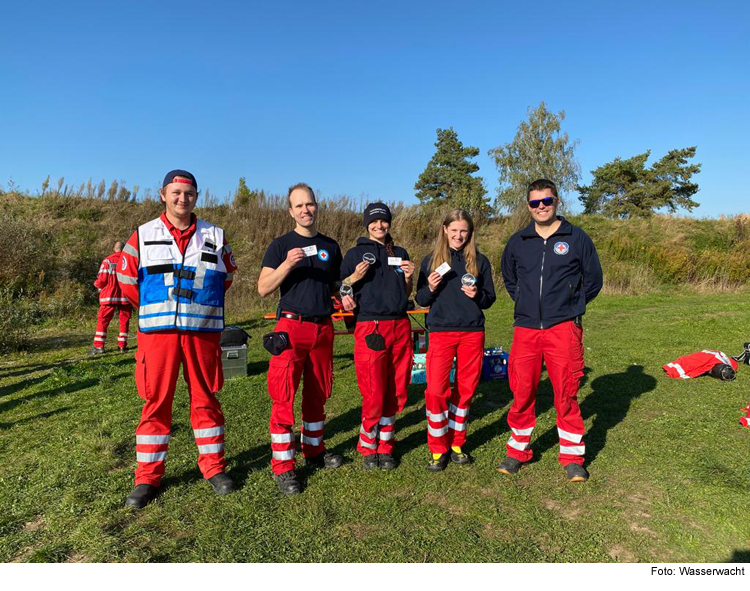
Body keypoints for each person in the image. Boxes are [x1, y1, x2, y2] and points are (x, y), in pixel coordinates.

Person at [117, 169, 238, 509]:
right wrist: (160, 308)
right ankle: (147, 477)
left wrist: (196, 307)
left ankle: (214, 469)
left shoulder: (215, 234)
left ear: (196, 197)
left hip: (202, 332)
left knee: (206, 399)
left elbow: (226, 275)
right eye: (176, 192)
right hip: (158, 335)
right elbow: (127, 280)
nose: (182, 199)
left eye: (189, 193)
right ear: (163, 194)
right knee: (156, 402)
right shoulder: (142, 234)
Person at [497, 178, 602, 482]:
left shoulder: (576, 237)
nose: (541, 207)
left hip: (563, 327)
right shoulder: (518, 241)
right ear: (528, 205)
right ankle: (517, 452)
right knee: (522, 390)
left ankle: (572, 457)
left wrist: (570, 303)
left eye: (547, 201)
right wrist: (528, 302)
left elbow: (593, 279)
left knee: (566, 392)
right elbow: (510, 278)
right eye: (534, 202)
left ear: (557, 201)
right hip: (527, 328)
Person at [258, 182, 344, 495]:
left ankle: (314, 451)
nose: (305, 210)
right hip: (290, 328)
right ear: (290, 211)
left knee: (318, 393)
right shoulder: (280, 245)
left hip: (323, 328)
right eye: (299, 206)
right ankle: (283, 466)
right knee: (284, 396)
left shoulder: (331, 246)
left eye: (310, 204)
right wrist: (287, 264)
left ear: (316, 206)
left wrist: (345, 296)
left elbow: (336, 287)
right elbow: (263, 287)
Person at [415, 209, 496, 471]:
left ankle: (457, 443)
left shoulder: (479, 261)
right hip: (440, 331)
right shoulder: (431, 261)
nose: (459, 235)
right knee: (437, 391)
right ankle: (438, 448)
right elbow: (421, 299)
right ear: (444, 230)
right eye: (454, 230)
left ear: (470, 233)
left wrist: (477, 295)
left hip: (472, 332)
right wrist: (430, 287)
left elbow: (489, 299)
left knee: (466, 390)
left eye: (464, 231)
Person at [340, 203, 415, 470]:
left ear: (389, 223)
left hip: (400, 325)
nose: (379, 225)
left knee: (396, 389)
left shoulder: (400, 253)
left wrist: (408, 277)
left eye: (384, 221)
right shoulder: (354, 254)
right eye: (374, 222)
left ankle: (386, 444)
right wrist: (353, 277)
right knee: (373, 391)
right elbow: (341, 289)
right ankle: (368, 445)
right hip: (371, 327)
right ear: (366, 224)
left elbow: (406, 293)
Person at [90, 241, 132, 354]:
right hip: (125, 296)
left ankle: (99, 346)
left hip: (109, 296)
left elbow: (102, 280)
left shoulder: (108, 260)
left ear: (114, 249)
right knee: (124, 321)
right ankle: (122, 345)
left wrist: (96, 285)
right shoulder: (129, 260)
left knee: (103, 320)